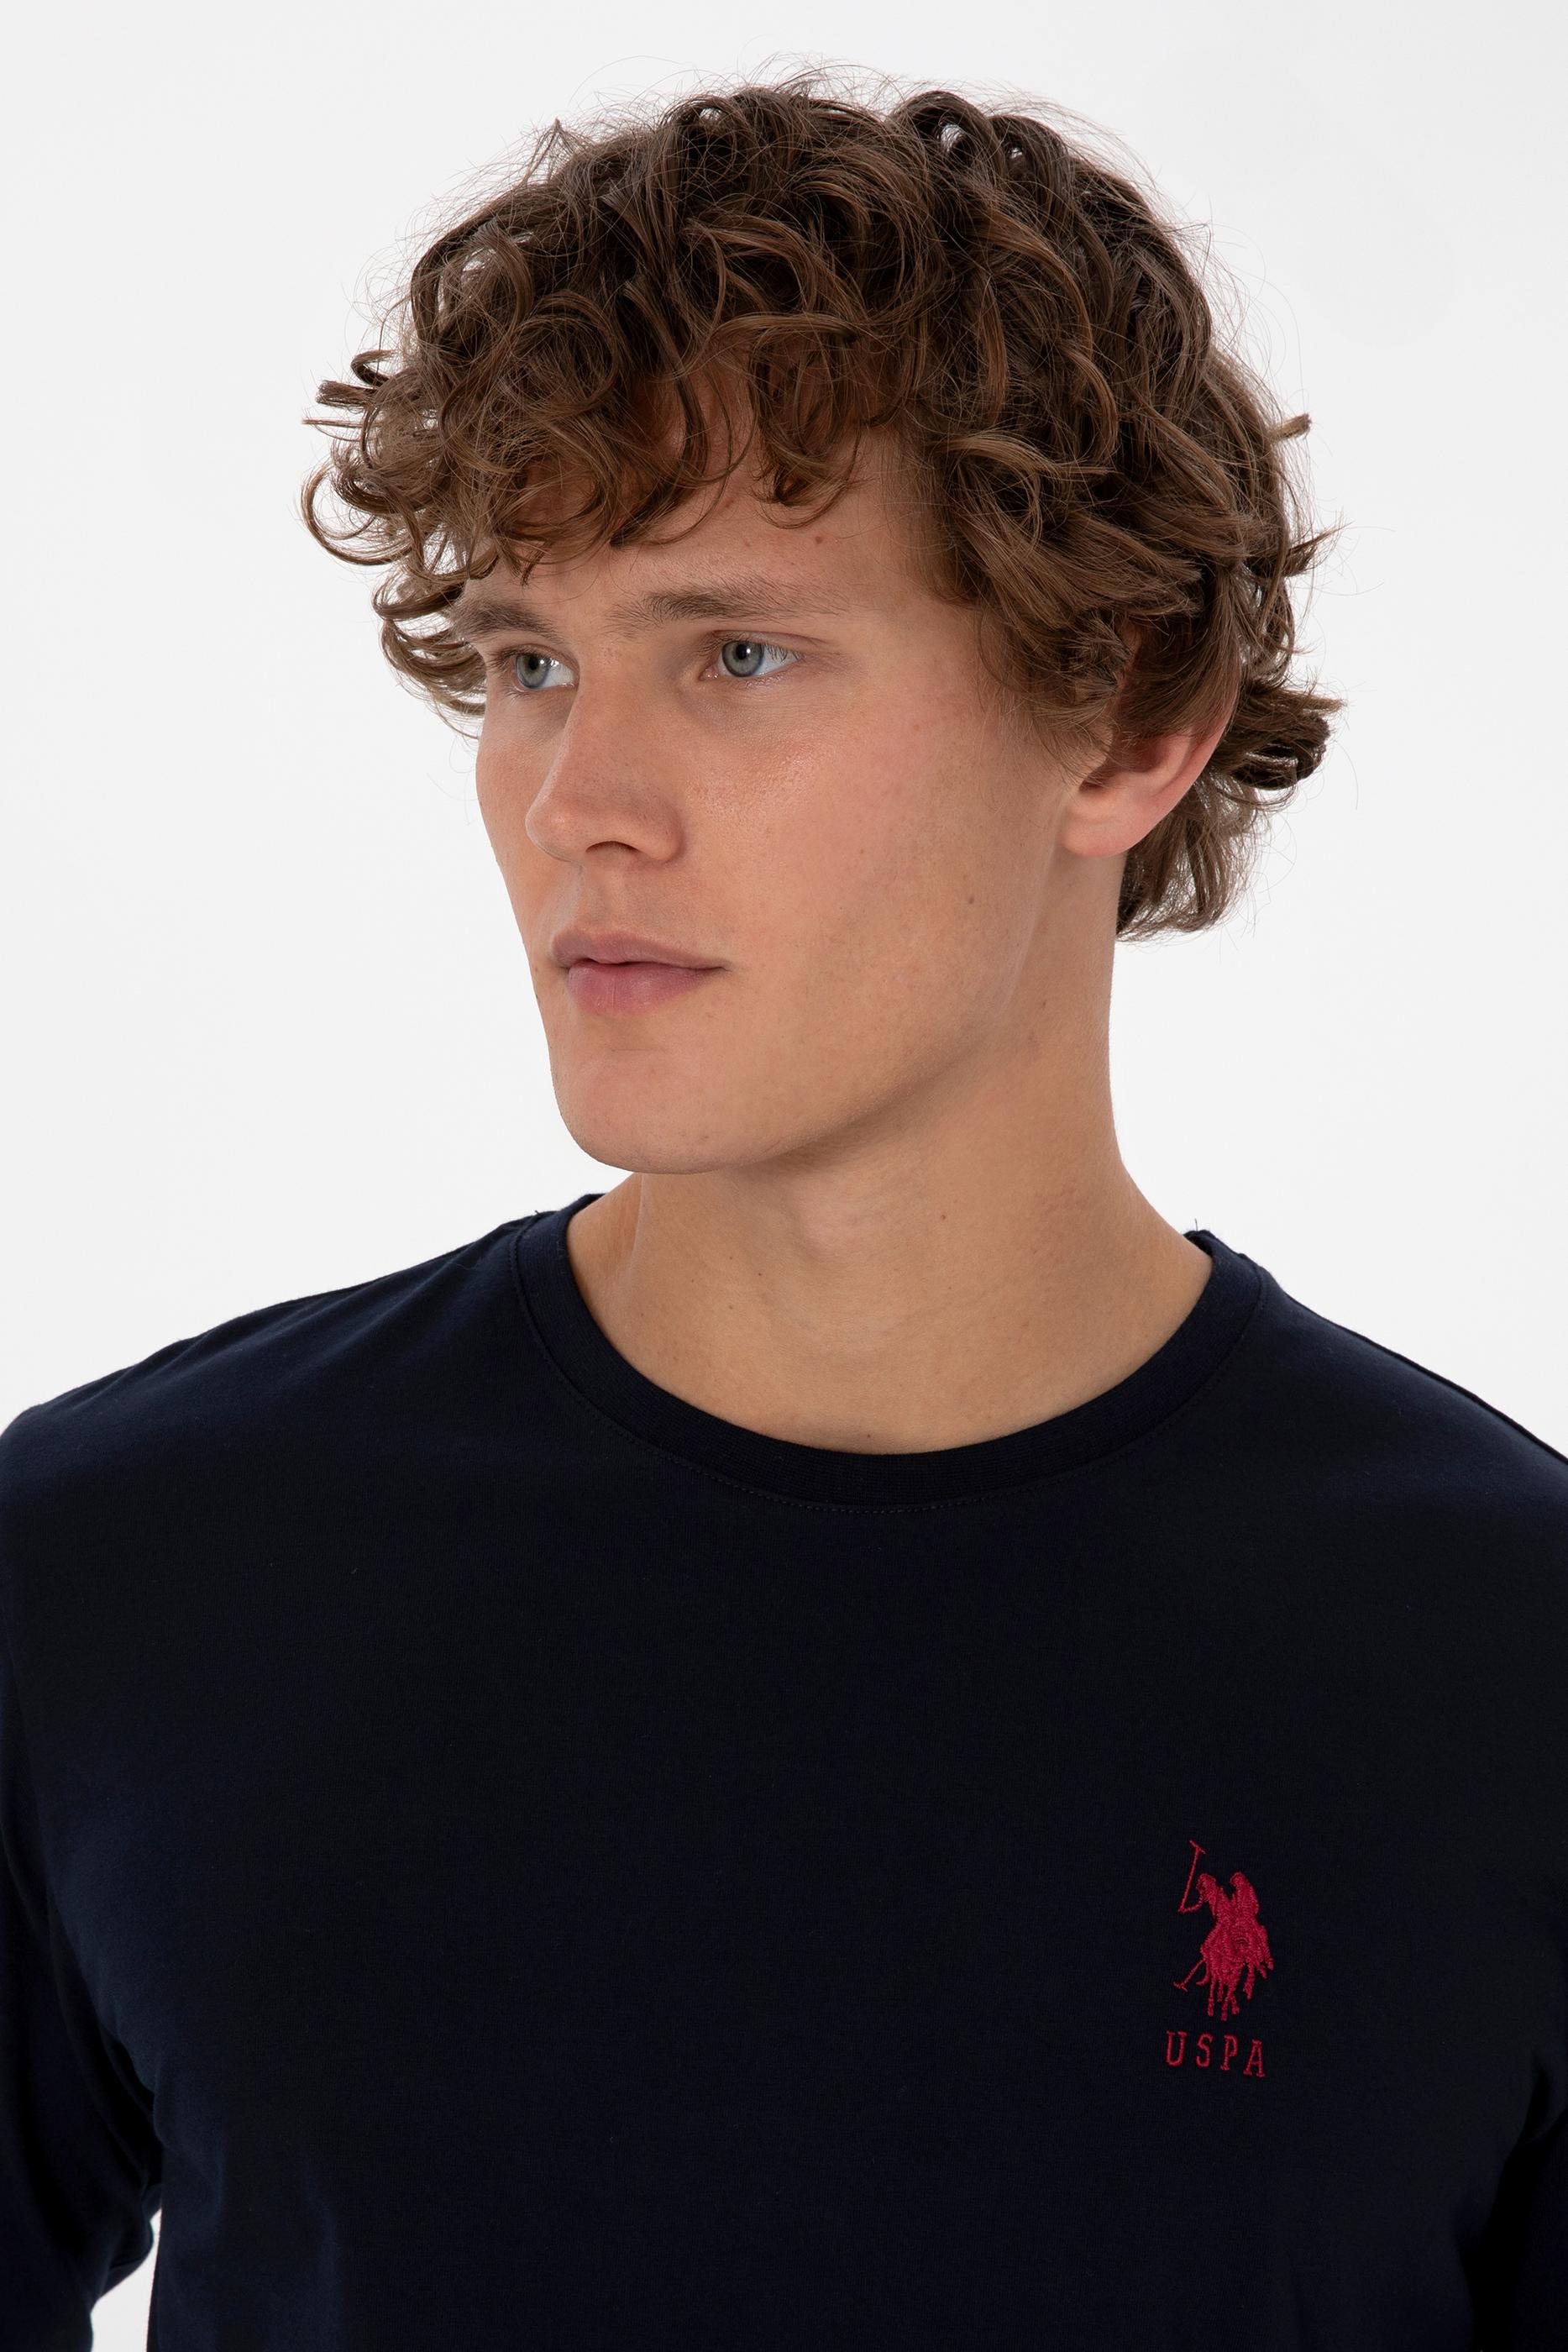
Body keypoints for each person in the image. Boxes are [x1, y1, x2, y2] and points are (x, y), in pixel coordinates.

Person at [2, 75, 1564, 2352]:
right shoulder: (118, 1580)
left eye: (736, 654)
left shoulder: (1506, 1680)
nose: (579, 802)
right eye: (531, 662)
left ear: (1129, 716)